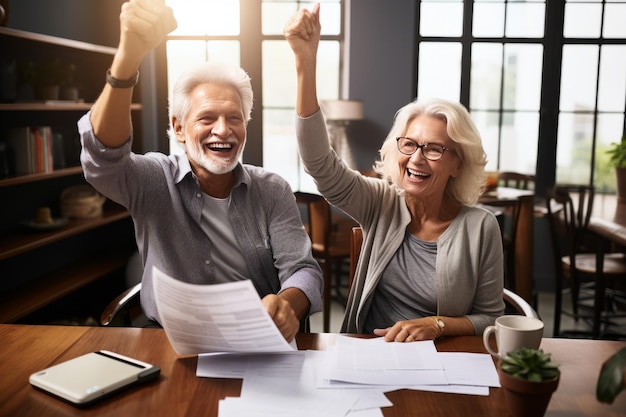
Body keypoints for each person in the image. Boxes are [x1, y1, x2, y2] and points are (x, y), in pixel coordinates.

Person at [78, 0, 323, 343]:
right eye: (207, 118)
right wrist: (128, 59)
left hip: (257, 339)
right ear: (179, 129)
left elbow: (304, 271)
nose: (223, 130)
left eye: (234, 118)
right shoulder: (153, 179)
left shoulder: (272, 189)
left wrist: (287, 304)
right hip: (169, 342)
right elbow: (103, 158)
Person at [284, 4, 504, 342]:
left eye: (433, 149)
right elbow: (319, 164)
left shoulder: (479, 227)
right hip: (370, 352)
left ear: (457, 163)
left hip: (441, 363)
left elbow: (490, 317)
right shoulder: (381, 202)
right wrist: (304, 65)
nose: (417, 159)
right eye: (409, 144)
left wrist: (438, 324)